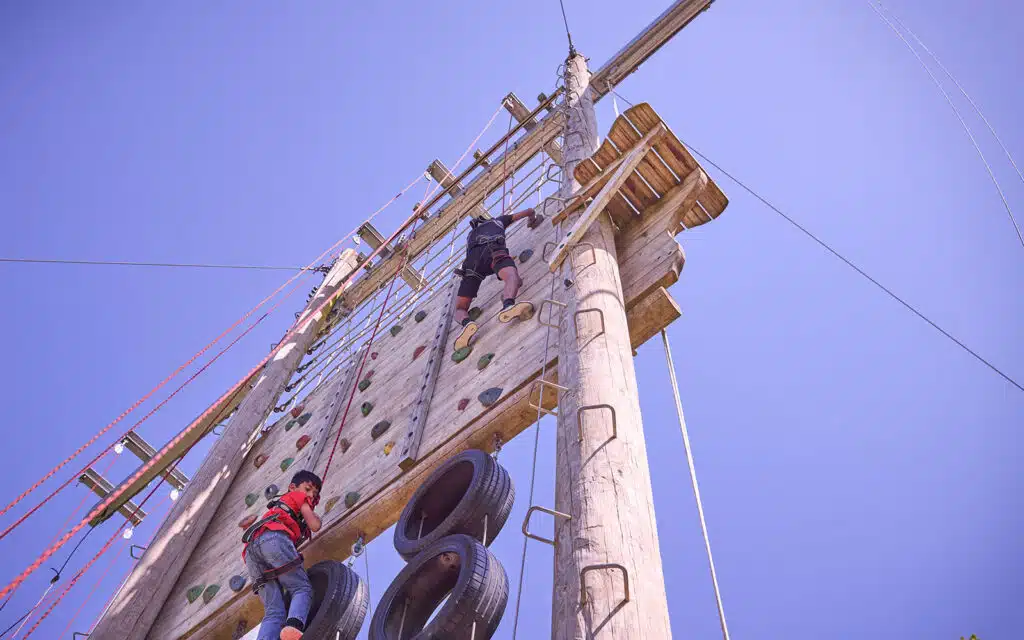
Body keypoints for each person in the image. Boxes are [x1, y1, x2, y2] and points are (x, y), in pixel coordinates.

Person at [242, 470, 323, 640]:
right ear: (292, 487)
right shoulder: (297, 497)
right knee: (301, 588)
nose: (310, 496)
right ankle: (293, 627)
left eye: (314, 494)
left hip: (251, 552)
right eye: (307, 489)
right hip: (273, 539)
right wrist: (314, 514)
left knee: (274, 610)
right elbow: (315, 525)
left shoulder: (282, 505)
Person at [453, 208, 540, 351]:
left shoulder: (470, 236)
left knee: (460, 308)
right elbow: (529, 211)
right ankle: (508, 305)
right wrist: (532, 219)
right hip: (493, 251)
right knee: (512, 277)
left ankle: (467, 323)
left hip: (471, 264)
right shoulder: (498, 221)